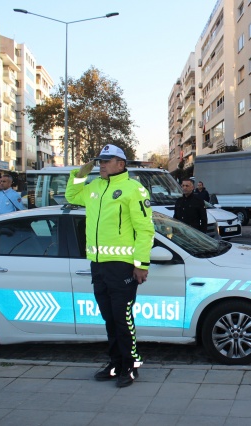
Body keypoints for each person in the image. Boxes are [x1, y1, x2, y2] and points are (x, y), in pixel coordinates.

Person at [65, 143, 155, 388]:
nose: (102, 164)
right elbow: (71, 196)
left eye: (107, 160)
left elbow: (145, 230)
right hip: (98, 266)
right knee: (109, 319)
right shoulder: (94, 187)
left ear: (121, 164)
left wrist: (141, 264)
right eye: (100, 161)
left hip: (122, 267)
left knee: (122, 319)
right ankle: (115, 364)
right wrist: (79, 175)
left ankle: (131, 365)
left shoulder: (132, 189)